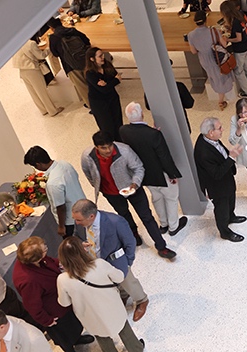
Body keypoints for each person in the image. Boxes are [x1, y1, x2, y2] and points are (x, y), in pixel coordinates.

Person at [80, 132, 177, 260]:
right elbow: (88, 173)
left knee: (147, 216)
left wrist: (135, 184)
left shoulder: (125, 151)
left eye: (110, 146)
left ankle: (161, 246)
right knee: (124, 214)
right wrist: (99, 187)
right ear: (96, 147)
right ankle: (134, 233)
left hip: (133, 189)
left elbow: (139, 168)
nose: (108, 150)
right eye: (103, 147)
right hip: (111, 193)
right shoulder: (87, 157)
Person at [56, 237, 145, 352]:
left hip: (89, 315)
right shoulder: (99, 264)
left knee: (102, 337)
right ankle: (136, 350)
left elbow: (64, 303)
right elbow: (120, 277)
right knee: (123, 327)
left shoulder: (62, 279)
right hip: (111, 306)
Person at [13, 237, 94, 352]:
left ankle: (77, 338)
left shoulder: (37, 260)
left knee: (74, 325)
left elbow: (53, 262)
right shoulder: (28, 280)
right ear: (37, 258)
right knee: (64, 336)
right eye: (44, 249)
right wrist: (47, 320)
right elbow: (32, 306)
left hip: (62, 302)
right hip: (53, 313)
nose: (46, 248)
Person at [71, 199, 151, 323]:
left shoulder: (116, 222)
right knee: (114, 282)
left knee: (128, 280)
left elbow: (130, 243)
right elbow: (76, 235)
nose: (76, 222)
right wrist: (81, 244)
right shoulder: (80, 221)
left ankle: (141, 300)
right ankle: (124, 295)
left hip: (117, 261)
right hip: (96, 260)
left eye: (79, 220)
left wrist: (128, 262)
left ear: (91, 216)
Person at [119, 102, 187, 236]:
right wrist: (173, 174)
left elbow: (139, 140)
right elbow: (164, 157)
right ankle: (173, 226)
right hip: (161, 174)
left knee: (156, 198)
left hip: (145, 175)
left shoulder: (123, 131)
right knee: (171, 198)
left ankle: (163, 224)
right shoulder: (154, 134)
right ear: (142, 114)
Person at [193, 117, 246, 242]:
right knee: (222, 209)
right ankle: (225, 232)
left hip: (226, 179)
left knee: (231, 199)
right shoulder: (203, 152)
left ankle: (231, 216)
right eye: (220, 128)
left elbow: (221, 152)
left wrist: (229, 154)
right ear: (211, 132)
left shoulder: (211, 139)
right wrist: (231, 158)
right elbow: (216, 173)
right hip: (216, 186)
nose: (222, 130)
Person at [23, 146, 87, 238]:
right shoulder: (64, 164)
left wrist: (61, 226)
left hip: (70, 219)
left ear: (38, 164)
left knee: (74, 244)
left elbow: (61, 207)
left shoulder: (53, 183)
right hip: (83, 204)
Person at [187, 10, 234, 111]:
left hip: (204, 60)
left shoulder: (190, 35)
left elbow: (193, 51)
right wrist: (225, 37)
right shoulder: (213, 31)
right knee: (221, 76)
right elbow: (224, 44)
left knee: (213, 76)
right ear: (205, 20)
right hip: (217, 58)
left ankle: (220, 97)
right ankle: (221, 100)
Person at [46, 18, 91, 109]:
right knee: (91, 81)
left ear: (51, 28)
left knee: (82, 86)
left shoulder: (54, 38)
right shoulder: (72, 30)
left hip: (70, 65)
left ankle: (92, 105)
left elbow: (55, 53)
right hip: (85, 60)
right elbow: (86, 40)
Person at [12, 38, 63, 116]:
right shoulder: (31, 43)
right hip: (32, 69)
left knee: (33, 92)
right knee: (42, 91)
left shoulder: (16, 42)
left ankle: (43, 110)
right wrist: (48, 48)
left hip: (22, 70)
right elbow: (41, 56)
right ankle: (52, 110)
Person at [85, 47, 123, 142]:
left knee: (118, 123)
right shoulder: (90, 73)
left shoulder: (108, 66)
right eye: (100, 56)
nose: (103, 57)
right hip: (99, 103)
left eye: (102, 55)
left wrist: (109, 83)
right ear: (92, 59)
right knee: (107, 127)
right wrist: (114, 81)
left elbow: (116, 79)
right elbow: (105, 89)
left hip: (113, 99)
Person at [220, 1, 247, 97]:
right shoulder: (241, 14)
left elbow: (238, 38)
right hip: (246, 45)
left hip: (239, 49)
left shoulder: (235, 22)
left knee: (239, 71)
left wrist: (227, 39)